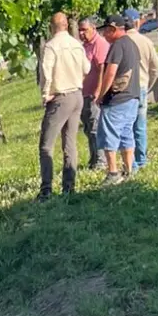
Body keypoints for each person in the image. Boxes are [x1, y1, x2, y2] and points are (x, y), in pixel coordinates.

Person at [37, 12, 89, 200]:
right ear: (66, 25)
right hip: (77, 94)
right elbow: (87, 68)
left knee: (46, 145)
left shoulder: (51, 47)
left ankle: (46, 189)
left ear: (51, 27)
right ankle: (69, 186)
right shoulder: (77, 45)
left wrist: (45, 94)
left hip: (60, 97)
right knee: (70, 143)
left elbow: (46, 72)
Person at [96, 15, 142, 186]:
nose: (104, 34)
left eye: (106, 30)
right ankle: (129, 170)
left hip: (117, 99)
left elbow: (110, 73)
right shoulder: (132, 44)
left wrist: (101, 95)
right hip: (133, 97)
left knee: (109, 135)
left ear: (113, 29)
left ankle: (113, 172)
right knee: (126, 134)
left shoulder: (117, 46)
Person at [125, 14, 158, 171]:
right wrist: (149, 83)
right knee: (140, 126)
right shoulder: (146, 41)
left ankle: (131, 163)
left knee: (126, 127)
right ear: (137, 23)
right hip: (141, 86)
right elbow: (156, 67)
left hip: (125, 89)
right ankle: (141, 160)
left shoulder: (120, 43)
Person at [80, 17, 109, 170]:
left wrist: (98, 91)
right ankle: (93, 158)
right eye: (80, 30)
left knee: (95, 127)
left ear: (93, 28)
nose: (81, 33)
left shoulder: (100, 44)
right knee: (87, 127)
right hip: (83, 93)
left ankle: (101, 160)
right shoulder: (84, 45)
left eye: (84, 30)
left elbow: (102, 69)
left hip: (93, 93)